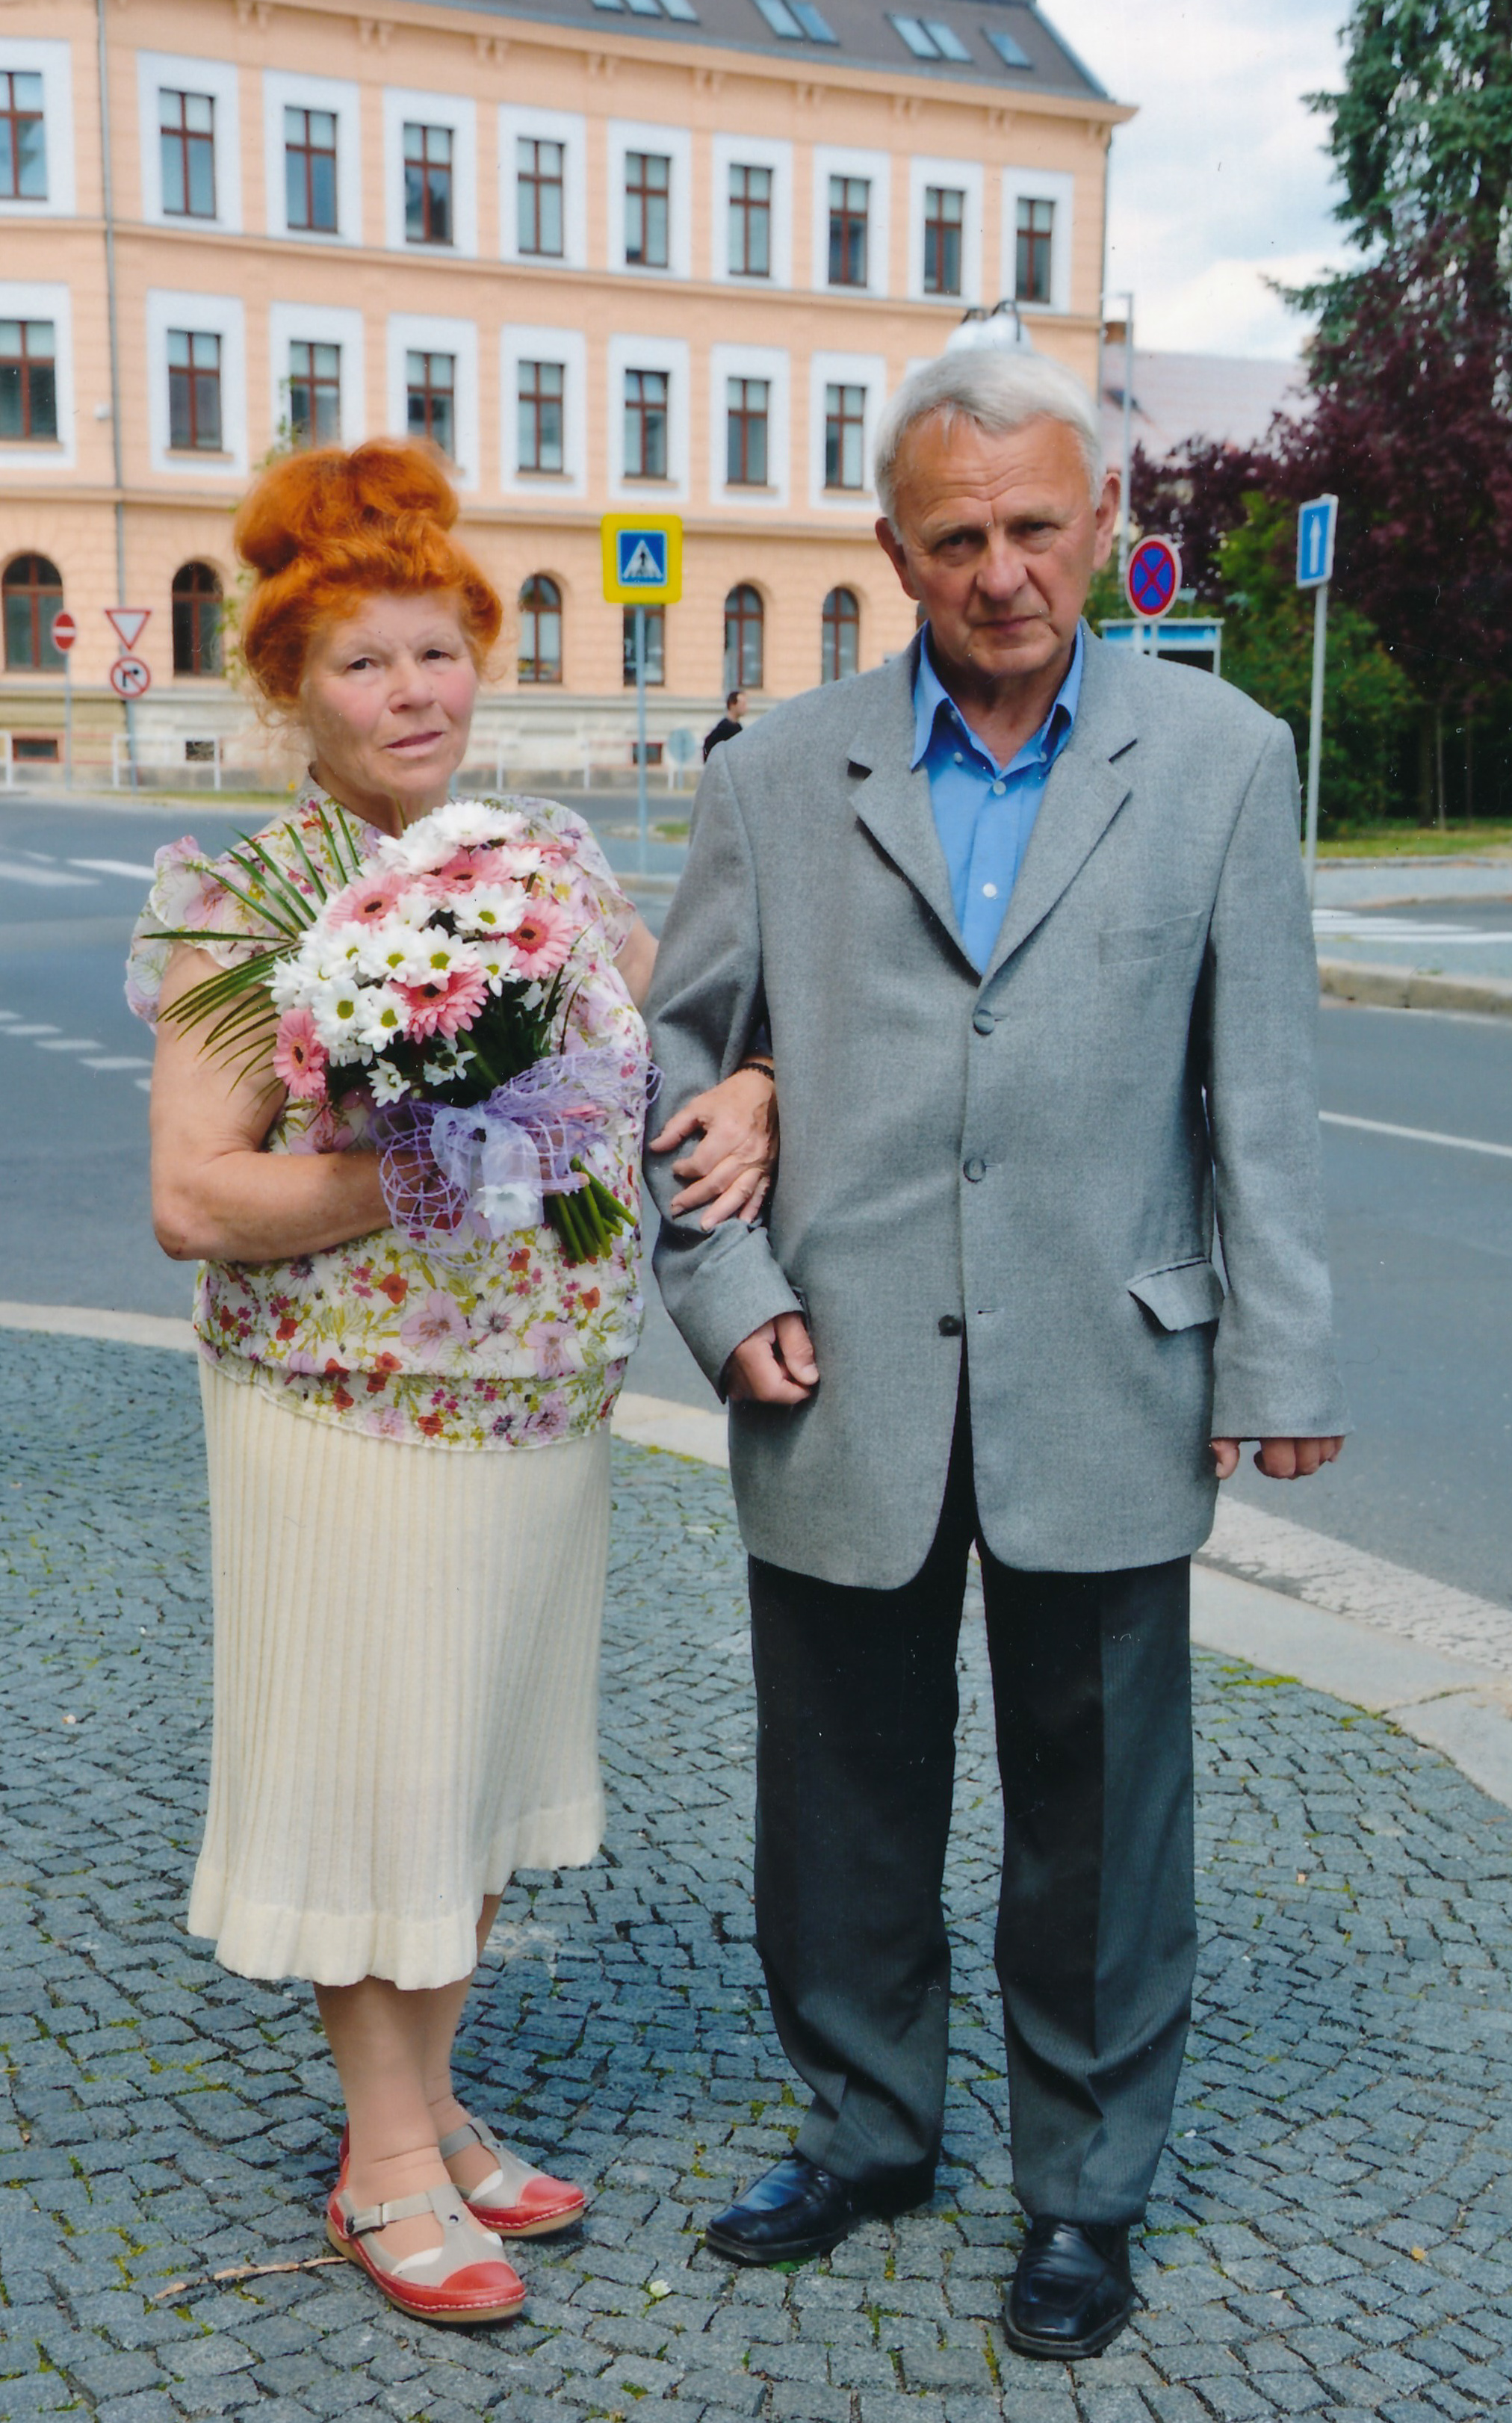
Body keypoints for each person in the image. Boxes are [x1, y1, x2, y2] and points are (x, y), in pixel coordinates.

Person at [645, 350, 1346, 2362]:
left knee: (1101, 1815)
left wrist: (1277, 1365)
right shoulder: (775, 774)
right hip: (835, 1367)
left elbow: (1258, 1094)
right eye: (956, 536)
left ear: (1103, 528)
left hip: (1108, 1362)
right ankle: (867, 2130)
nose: (1002, 570)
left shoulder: (1221, 759)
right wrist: (725, 1296)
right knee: (838, 1799)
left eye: (1037, 526)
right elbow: (677, 1078)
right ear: (893, 550)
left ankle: (1084, 2192)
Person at [128, 440, 777, 2330]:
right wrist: (421, 1171)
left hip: (536, 1415)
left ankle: (435, 2100)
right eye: (363, 662)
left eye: (438, 650)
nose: (413, 692)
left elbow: (672, 1041)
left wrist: (746, 1082)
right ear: (290, 688)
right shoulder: (251, 897)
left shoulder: (545, 861)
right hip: (348, 1418)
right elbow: (193, 1197)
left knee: (480, 1768)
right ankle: (383, 2156)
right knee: (385, 1776)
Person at [701, 688, 746, 761]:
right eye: (743, 704)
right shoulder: (723, 728)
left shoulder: (738, 728)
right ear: (732, 705)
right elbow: (707, 747)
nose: (745, 707)